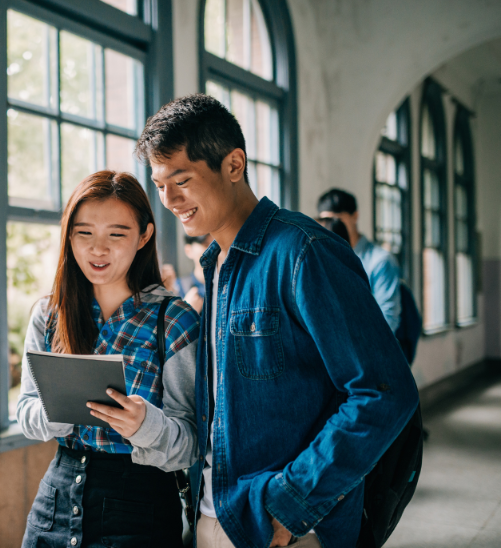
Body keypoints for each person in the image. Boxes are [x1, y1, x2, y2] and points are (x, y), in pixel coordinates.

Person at [136, 94, 419, 548]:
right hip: (215, 516)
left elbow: (384, 392)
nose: (168, 199)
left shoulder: (304, 252)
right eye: (159, 183)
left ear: (233, 164)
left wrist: (291, 504)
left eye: (181, 180)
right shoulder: (215, 265)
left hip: (286, 527)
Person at [16, 170, 201, 548]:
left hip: (141, 509)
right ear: (69, 235)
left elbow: (193, 444)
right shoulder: (49, 313)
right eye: (84, 233)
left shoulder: (174, 319)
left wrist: (144, 425)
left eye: (116, 235)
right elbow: (25, 413)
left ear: (144, 236)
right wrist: (58, 410)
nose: (98, 249)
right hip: (55, 503)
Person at [317, 189, 402, 332]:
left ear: (355, 216)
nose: (330, 227)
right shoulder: (322, 260)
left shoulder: (380, 262)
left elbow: (388, 321)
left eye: (337, 220)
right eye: (325, 221)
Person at [162, 234, 214, 314]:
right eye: (206, 244)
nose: (213, 250)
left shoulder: (227, 286)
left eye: (215, 245)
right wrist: (186, 311)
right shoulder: (177, 288)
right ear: (188, 250)